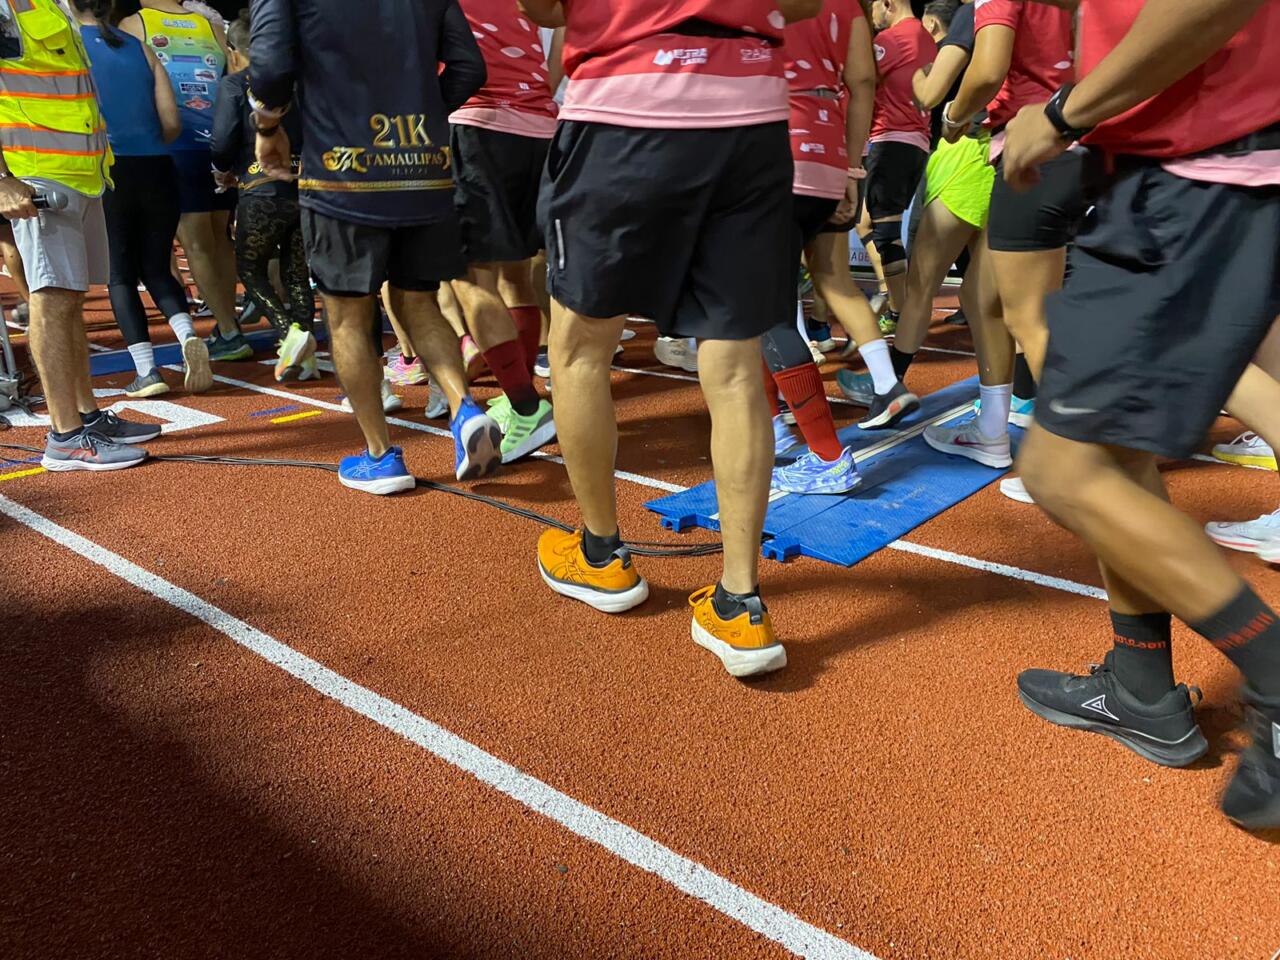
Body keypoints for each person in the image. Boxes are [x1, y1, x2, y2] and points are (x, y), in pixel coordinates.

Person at [1004, 0, 1280, 829]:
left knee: (1061, 468)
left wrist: (1062, 113)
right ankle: (1140, 684)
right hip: (1168, 172)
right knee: (1109, 448)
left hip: (1199, 172)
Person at [522, 0, 822, 678]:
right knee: (737, 365)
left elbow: (537, 5)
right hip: (749, 116)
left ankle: (602, 556)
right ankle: (740, 605)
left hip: (624, 109)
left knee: (578, 349)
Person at [251, 0, 499, 495]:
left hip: (343, 172)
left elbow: (271, 68)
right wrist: (424, 114)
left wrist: (268, 128)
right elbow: (470, 67)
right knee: (420, 302)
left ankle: (380, 455)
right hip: (422, 166)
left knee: (347, 317)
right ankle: (464, 407)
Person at [0, 0, 160, 471]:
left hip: (80, 175)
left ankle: (87, 418)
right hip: (38, 173)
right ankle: (66, 436)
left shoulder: (53, 6)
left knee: (68, 298)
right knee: (51, 298)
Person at [766, 0, 918, 493]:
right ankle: (882, 383)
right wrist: (852, 168)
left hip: (771, 146)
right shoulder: (848, 4)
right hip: (829, 152)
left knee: (761, 310)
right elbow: (864, 81)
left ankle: (822, 453)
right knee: (828, 278)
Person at [922, 0, 1078, 475]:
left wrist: (953, 116)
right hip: (1084, 142)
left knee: (1031, 318)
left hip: (1035, 146)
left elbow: (988, 69)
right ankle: (993, 430)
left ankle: (1078, 462)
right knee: (983, 295)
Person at [73, 0, 212, 399]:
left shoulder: (71, 45)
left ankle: (147, 370)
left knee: (119, 273)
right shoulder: (140, 48)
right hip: (157, 165)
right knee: (157, 266)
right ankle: (187, 335)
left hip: (109, 166)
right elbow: (171, 121)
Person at [448, 0, 557, 464]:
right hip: (540, 125)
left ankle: (527, 406)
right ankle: (523, 397)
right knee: (516, 274)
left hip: (479, 122)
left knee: (469, 278)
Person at [120, 0, 248, 361]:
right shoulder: (211, 26)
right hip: (220, 141)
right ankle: (229, 325)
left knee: (195, 242)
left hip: (175, 143)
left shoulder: (134, 25)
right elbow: (234, 75)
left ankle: (229, 330)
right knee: (220, 237)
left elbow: (131, 86)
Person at [210, 9, 315, 383]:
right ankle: (305, 354)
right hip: (304, 187)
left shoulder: (235, 84)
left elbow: (222, 140)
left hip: (260, 189)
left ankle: (290, 334)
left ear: (234, 51)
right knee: (297, 272)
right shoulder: (300, 82)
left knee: (250, 269)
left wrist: (222, 168)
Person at [855, 0, 935, 334]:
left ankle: (900, 313)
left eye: (872, 6)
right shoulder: (927, 37)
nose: (871, 15)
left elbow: (859, 82)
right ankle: (889, 291)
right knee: (864, 224)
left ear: (887, 3)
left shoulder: (888, 40)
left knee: (886, 234)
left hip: (890, 141)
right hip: (916, 144)